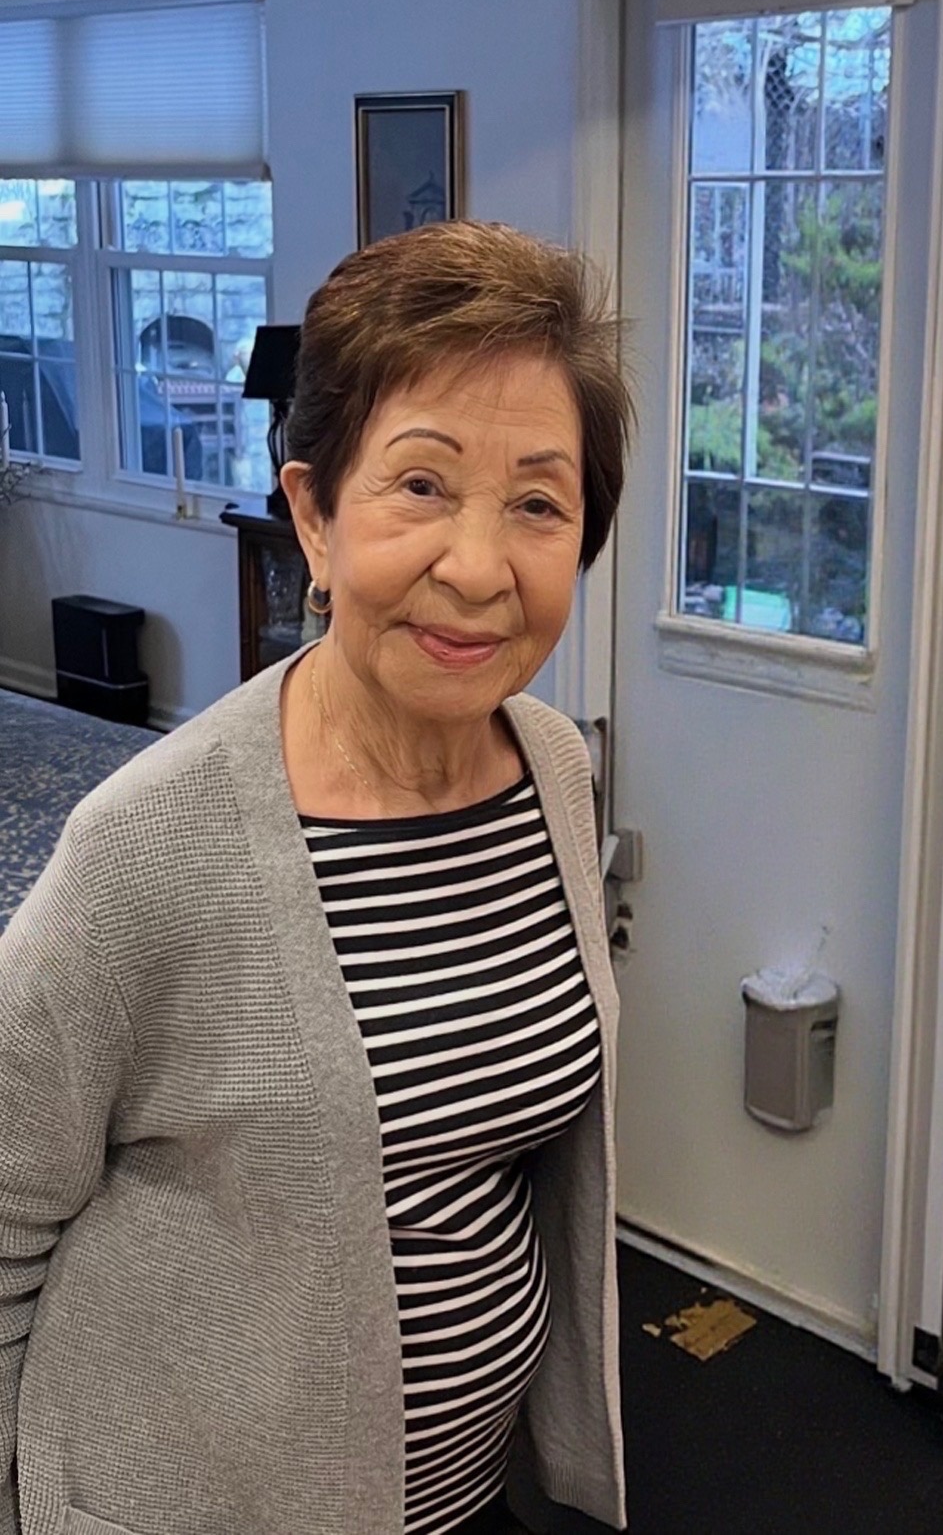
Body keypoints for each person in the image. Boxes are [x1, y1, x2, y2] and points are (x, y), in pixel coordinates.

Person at [0, 220, 633, 1535]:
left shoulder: (554, 770)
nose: (478, 566)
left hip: (465, 1498)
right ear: (314, 516)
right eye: (421, 485)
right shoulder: (147, 844)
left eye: (536, 502)